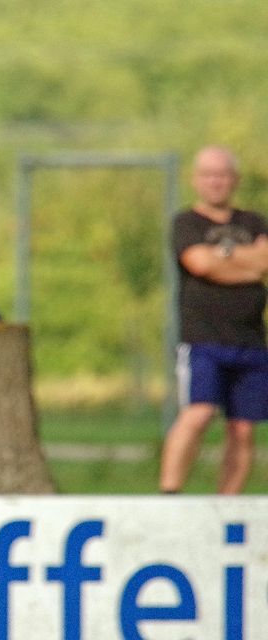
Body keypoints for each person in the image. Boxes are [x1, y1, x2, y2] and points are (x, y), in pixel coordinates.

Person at [159, 145, 268, 494]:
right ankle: (169, 493)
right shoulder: (186, 223)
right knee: (199, 412)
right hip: (203, 339)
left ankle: (227, 503)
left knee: (243, 428)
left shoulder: (254, 222)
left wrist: (224, 261)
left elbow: (264, 263)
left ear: (233, 180)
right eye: (208, 175)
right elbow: (200, 264)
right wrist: (245, 263)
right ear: (196, 180)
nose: (215, 182)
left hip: (250, 340)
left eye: (221, 174)